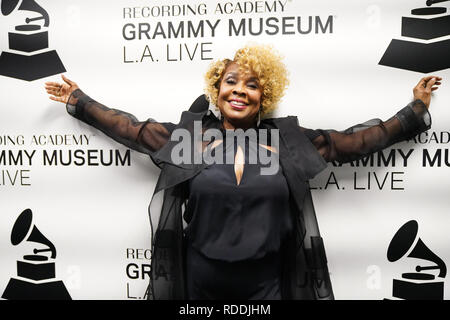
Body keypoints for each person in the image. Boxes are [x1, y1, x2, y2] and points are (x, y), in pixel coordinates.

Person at [45, 45, 442, 300]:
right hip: (198, 287)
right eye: (230, 81)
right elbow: (130, 129)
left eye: (251, 85)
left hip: (267, 288)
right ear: (217, 90)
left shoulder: (287, 140)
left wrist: (413, 114)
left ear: (263, 96)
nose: (239, 90)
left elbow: (353, 142)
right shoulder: (189, 138)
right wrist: (79, 101)